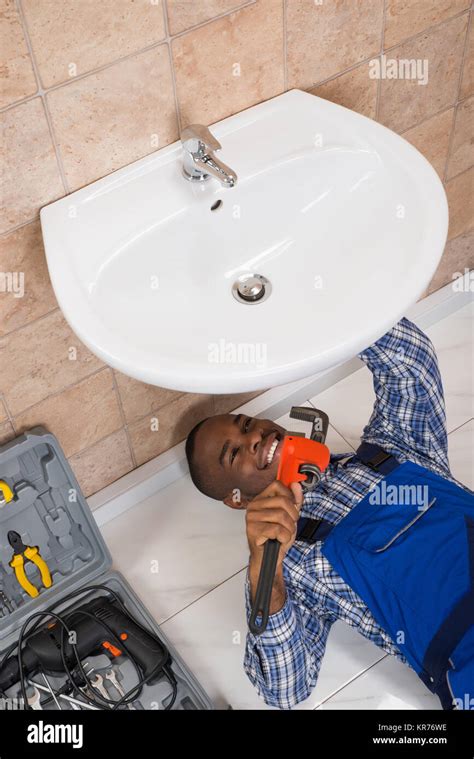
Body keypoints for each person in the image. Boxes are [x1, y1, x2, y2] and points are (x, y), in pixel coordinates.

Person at [185, 319, 474, 710]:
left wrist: (329, 313)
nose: (253, 437)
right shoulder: (290, 561)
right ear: (236, 500)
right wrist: (263, 574)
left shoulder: (390, 447)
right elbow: (285, 690)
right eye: (234, 453)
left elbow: (410, 359)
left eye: (247, 424)